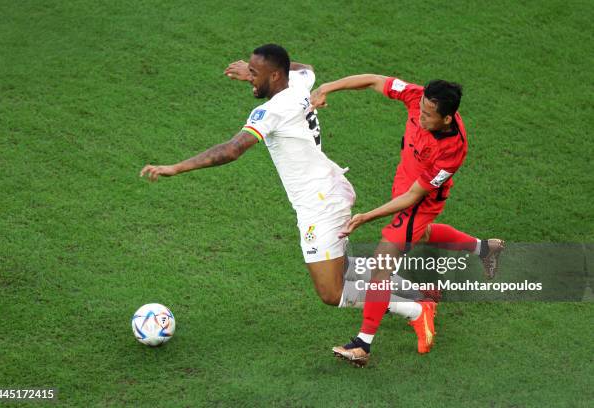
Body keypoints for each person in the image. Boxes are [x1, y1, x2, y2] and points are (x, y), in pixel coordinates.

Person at [140, 44, 429, 320]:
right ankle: (414, 290)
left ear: (276, 75)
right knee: (339, 266)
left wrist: (176, 167)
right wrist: (260, 71)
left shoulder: (271, 111)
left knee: (332, 291)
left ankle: (416, 309)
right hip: (329, 186)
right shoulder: (300, 83)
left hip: (319, 204)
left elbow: (232, 149)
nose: (248, 76)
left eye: (255, 73)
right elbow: (306, 68)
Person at [310, 74, 505, 366]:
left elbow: (414, 197)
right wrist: (326, 87)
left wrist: (368, 215)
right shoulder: (419, 97)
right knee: (422, 236)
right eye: (421, 110)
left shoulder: (452, 151)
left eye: (428, 116)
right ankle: (484, 248)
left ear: (448, 119)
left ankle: (363, 344)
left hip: (420, 201)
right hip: (405, 182)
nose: (421, 116)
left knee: (381, 265)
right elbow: (374, 81)